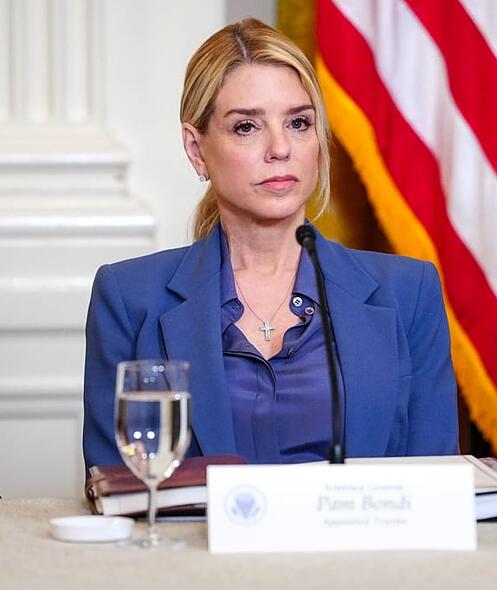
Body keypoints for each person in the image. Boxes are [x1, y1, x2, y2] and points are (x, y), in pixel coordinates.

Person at [83, 18, 459, 471]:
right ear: (197, 149)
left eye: (299, 122)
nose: (280, 148)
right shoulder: (128, 297)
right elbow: (118, 489)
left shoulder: (408, 293)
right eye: (247, 127)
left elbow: (437, 486)